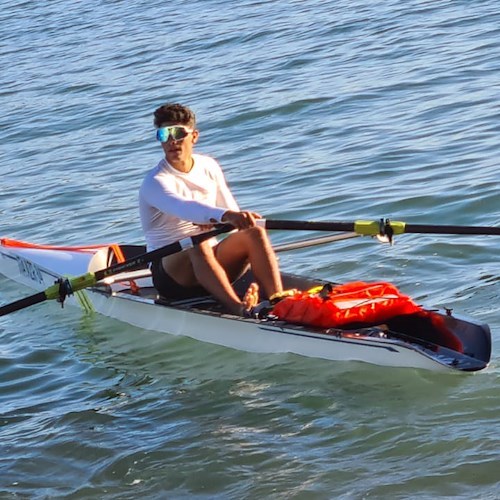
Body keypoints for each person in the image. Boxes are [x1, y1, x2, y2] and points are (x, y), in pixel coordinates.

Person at [139, 103, 283, 316]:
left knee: (253, 233)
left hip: (213, 262)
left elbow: (230, 211)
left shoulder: (208, 166)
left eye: (178, 132)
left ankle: (280, 302)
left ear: (194, 136)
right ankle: (239, 308)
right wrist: (221, 216)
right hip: (171, 275)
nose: (172, 141)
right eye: (164, 134)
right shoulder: (155, 182)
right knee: (197, 244)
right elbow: (183, 207)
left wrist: (225, 218)